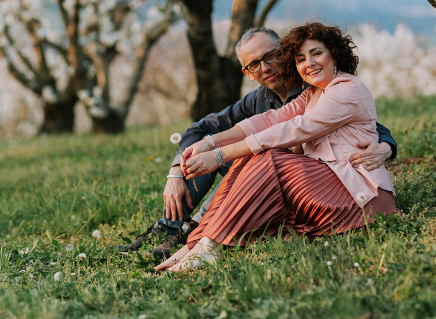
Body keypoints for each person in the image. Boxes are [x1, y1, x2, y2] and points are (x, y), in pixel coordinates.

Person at [119, 27, 396, 259]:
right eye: (254, 64)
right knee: (224, 152)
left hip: (306, 182)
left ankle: (198, 230)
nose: (265, 68)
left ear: (283, 54)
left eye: (271, 56)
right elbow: (207, 128)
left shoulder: (323, 85)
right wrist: (179, 167)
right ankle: (171, 227)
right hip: (282, 181)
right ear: (247, 72)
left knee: (255, 156)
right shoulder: (260, 100)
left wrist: (386, 146)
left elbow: (360, 123)